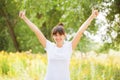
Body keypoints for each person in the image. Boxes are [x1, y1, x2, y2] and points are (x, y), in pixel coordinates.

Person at [19, 9, 98, 80]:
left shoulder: (69, 46)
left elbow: (80, 31)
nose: (58, 37)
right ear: (53, 36)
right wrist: (24, 18)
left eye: (60, 35)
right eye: (55, 35)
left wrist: (91, 17)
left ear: (64, 35)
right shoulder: (49, 46)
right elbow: (37, 31)